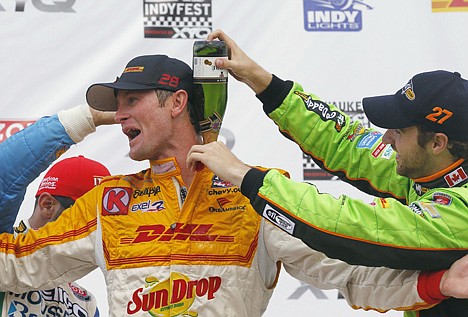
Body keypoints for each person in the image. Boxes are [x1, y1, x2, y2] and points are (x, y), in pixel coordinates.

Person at [0, 54, 461, 317]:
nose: (119, 115)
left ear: (177, 102)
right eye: (115, 104)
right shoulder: (108, 202)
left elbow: (354, 276)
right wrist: (76, 121)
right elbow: (15, 267)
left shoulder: (254, 194)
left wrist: (440, 282)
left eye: (131, 101)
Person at [185, 29, 468, 315]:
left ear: (437, 143)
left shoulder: (461, 210)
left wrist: (245, 175)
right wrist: (260, 79)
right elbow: (344, 141)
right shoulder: (430, 169)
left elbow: (352, 224)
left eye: (398, 130)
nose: (386, 139)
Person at [1, 155, 110, 316]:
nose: (94, 230)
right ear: (47, 205)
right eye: (85, 217)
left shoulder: (86, 303)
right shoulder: (5, 258)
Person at [0, 104, 115, 233]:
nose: (100, 228)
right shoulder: (9, 250)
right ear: (47, 205)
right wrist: (87, 117)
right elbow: (3, 176)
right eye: (88, 216)